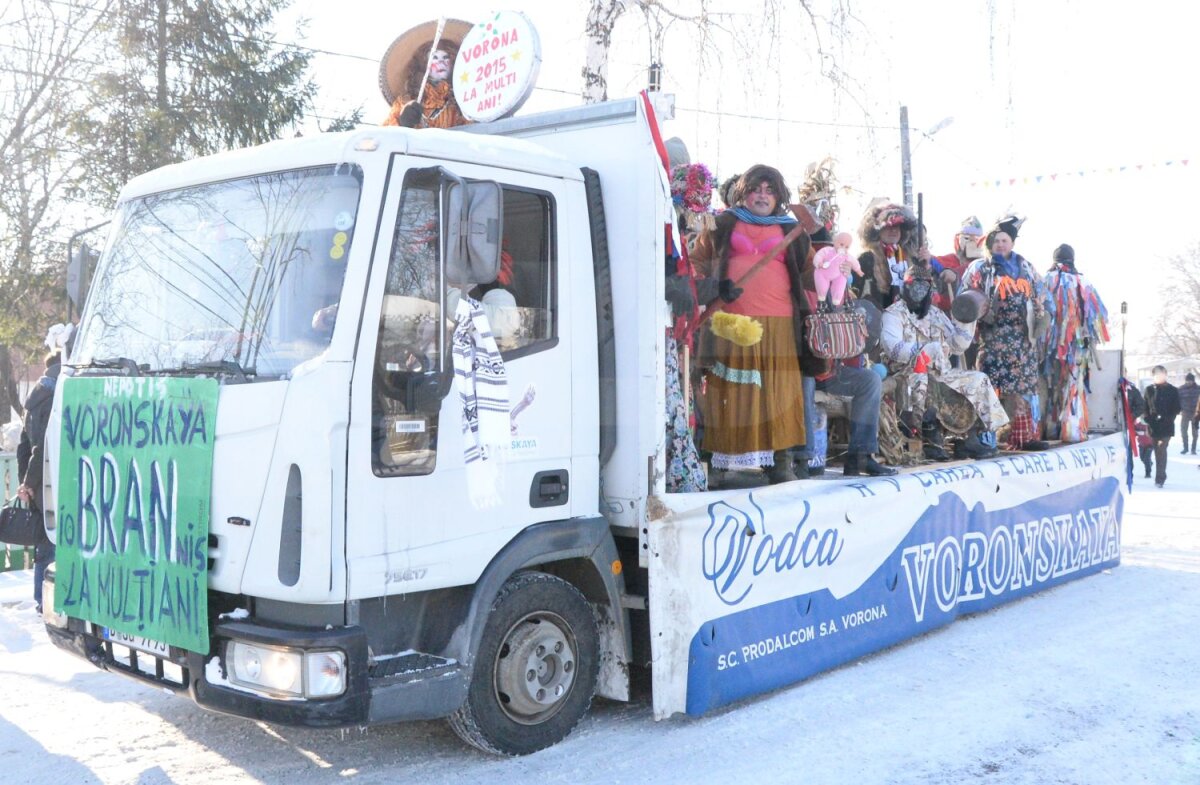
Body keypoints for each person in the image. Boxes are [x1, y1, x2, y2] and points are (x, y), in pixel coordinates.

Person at [692, 165, 809, 484]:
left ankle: (781, 463)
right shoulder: (722, 223)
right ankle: (717, 466)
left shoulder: (791, 229)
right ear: (744, 193)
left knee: (779, 391)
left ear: (779, 197)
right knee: (730, 390)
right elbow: (696, 263)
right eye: (756, 189)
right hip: (731, 321)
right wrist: (713, 287)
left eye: (769, 190)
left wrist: (834, 273)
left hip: (780, 322)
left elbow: (810, 271)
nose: (762, 195)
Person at [881, 262, 1008, 460]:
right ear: (906, 286)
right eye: (915, 285)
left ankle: (977, 436)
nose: (920, 290)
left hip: (941, 371)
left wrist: (966, 320)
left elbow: (957, 345)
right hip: (907, 372)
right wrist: (924, 350)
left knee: (978, 379)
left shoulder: (935, 314)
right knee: (925, 382)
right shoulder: (893, 314)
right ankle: (931, 439)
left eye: (925, 286)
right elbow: (893, 348)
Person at [958, 214, 1049, 450]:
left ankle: (1022, 437)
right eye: (996, 240)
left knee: (1023, 389)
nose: (1000, 244)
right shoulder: (980, 268)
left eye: (1004, 240)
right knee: (991, 388)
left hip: (1022, 339)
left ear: (1012, 243)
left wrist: (1041, 313)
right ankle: (986, 438)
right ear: (989, 243)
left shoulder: (1026, 267)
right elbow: (965, 298)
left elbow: (1042, 295)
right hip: (994, 338)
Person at [1040, 244, 1110, 442]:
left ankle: (1048, 430)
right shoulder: (1084, 283)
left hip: (1048, 348)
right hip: (1077, 347)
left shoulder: (1044, 281)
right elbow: (1097, 319)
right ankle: (1071, 431)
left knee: (1048, 386)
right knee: (1072, 387)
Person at [16, 351, 60, 612]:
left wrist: (27, 482)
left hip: (39, 484)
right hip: (53, 480)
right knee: (52, 546)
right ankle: (45, 603)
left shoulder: (34, 400)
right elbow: (42, 448)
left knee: (43, 546)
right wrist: (30, 481)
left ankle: (40, 599)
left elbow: (24, 447)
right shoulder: (56, 399)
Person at [379, 20, 472, 130]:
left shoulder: (463, 101)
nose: (441, 62)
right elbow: (385, 136)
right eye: (435, 57)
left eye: (445, 57)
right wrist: (402, 123)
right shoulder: (404, 101)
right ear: (424, 64)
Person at [853, 200, 920, 311]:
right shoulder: (866, 258)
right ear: (877, 230)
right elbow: (854, 294)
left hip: (907, 320)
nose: (893, 230)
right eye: (888, 226)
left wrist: (926, 266)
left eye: (897, 226)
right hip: (878, 322)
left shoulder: (910, 258)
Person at [931, 216, 985, 314]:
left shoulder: (983, 266)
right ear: (958, 239)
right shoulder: (944, 261)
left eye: (976, 239)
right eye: (967, 238)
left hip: (974, 317)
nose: (971, 242)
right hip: (945, 316)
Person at [1143, 366, 1181, 487]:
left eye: (1162, 374)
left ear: (1166, 374)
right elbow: (1145, 408)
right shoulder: (1149, 390)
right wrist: (1148, 420)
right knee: (1157, 451)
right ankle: (1160, 475)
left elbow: (1177, 408)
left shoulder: (1173, 390)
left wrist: (1167, 418)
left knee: (1161, 450)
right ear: (1153, 376)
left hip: (1166, 426)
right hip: (1153, 426)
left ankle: (1160, 478)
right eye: (1157, 374)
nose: (1159, 376)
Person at [1177, 372, 1200, 455]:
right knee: (1183, 431)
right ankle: (1185, 448)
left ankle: (1193, 449)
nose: (1189, 383)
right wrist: (1178, 410)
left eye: (1190, 381)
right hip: (1185, 412)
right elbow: (1177, 400)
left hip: (1195, 413)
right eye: (1187, 381)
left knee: (1195, 433)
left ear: (1193, 381)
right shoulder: (1181, 389)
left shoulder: (1198, 389)